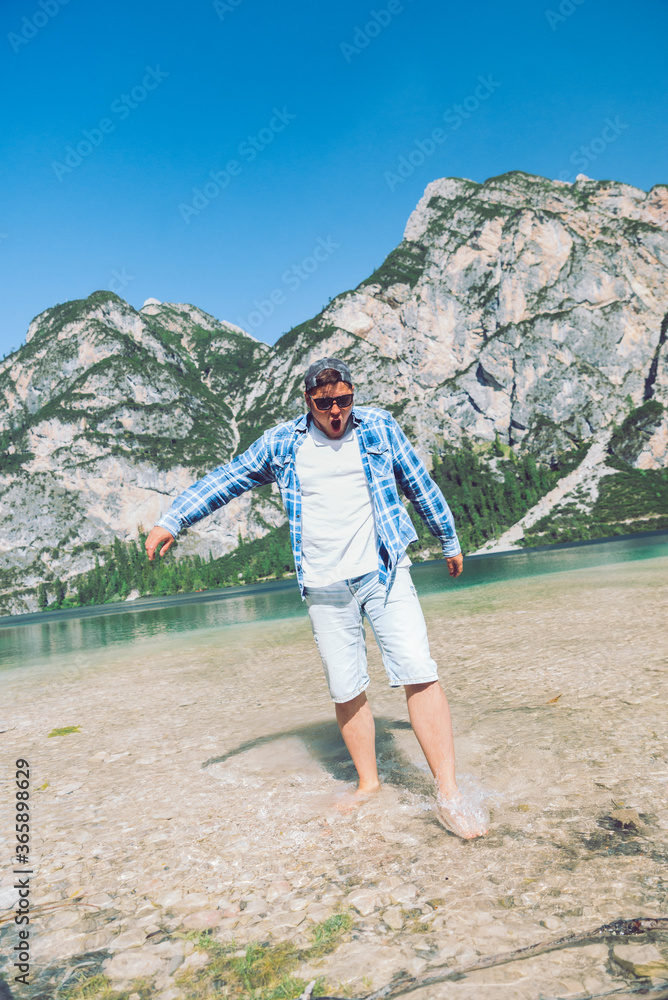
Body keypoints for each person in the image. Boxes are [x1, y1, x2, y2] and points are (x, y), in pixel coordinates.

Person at [144, 357, 487, 839]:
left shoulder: (380, 428)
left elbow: (419, 483)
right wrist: (173, 519)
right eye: (325, 403)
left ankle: (448, 792)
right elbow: (228, 478)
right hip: (324, 585)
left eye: (344, 400)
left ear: (353, 395)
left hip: (384, 570)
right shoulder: (282, 443)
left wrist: (448, 539)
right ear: (308, 401)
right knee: (346, 687)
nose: (336, 412)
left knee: (417, 670)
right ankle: (369, 785)